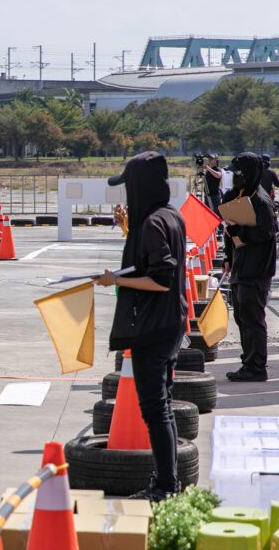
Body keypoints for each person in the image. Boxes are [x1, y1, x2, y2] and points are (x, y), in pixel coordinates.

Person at [94, 151, 187, 502]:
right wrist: (126, 230)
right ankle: (168, 482)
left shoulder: (152, 224)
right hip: (171, 323)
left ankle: (165, 487)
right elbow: (151, 259)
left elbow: (159, 278)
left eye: (128, 186)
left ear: (140, 186)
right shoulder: (169, 217)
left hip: (155, 327)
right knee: (162, 405)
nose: (125, 195)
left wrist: (114, 279)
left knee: (156, 410)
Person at [220, 153, 277, 382]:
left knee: (253, 318)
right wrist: (228, 254)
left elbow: (266, 232)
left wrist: (240, 232)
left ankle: (256, 366)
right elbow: (230, 227)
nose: (235, 177)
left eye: (238, 173)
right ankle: (248, 361)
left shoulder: (261, 201)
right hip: (240, 267)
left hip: (256, 270)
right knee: (242, 317)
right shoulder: (238, 196)